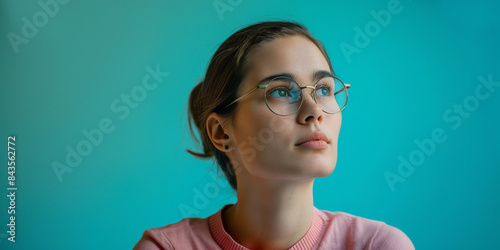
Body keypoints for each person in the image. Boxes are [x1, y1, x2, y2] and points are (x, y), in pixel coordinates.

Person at [134, 20, 414, 250]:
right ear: (221, 132)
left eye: (325, 89)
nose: (314, 111)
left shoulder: (379, 245)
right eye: (280, 91)